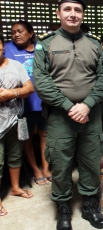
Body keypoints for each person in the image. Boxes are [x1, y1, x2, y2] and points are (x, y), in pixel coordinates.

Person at [33, 0, 103, 230]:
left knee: (90, 162)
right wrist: (69, 106)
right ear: (58, 13)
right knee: (61, 163)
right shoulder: (46, 44)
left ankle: (89, 208)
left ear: (82, 14)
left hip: (92, 115)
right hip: (60, 116)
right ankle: (63, 211)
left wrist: (86, 105)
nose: (73, 14)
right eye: (67, 9)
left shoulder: (95, 44)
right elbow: (42, 81)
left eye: (77, 10)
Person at [4, 20, 51, 186]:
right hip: (21, 104)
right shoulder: (7, 48)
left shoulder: (41, 48)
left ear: (30, 33)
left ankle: (46, 168)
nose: (16, 34)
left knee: (45, 134)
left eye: (20, 31)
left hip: (44, 101)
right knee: (27, 138)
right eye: (13, 32)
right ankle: (36, 170)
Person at [0, 33, 35, 216]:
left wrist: (11, 93)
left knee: (15, 156)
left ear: (2, 46)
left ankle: (15, 187)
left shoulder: (16, 66)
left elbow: (29, 88)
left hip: (15, 119)